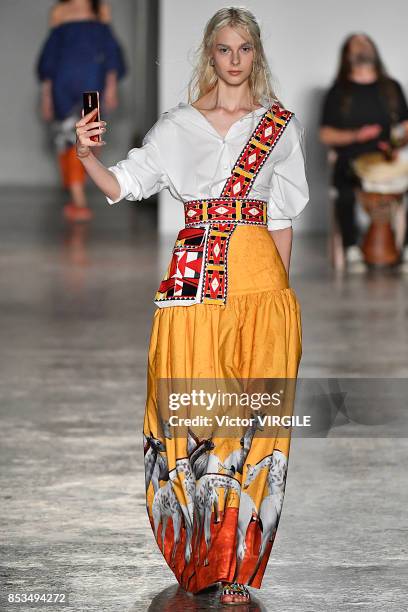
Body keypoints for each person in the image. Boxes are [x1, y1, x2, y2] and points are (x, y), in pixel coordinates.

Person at [75, 7, 309, 605]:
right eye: (225, 49)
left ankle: (237, 566)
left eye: (245, 49)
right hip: (193, 289)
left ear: (255, 55)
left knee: (253, 428)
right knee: (193, 419)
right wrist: (85, 159)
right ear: (210, 54)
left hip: (260, 288)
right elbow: (125, 184)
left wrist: (284, 296)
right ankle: (198, 550)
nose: (235, 60)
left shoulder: (278, 127)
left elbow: (280, 222)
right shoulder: (177, 126)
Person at [320, 33, 408, 271]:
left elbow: (405, 125)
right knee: (345, 192)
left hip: (387, 157)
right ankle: (351, 248)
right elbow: (326, 134)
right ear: (347, 55)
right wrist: (357, 136)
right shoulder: (339, 91)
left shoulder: (391, 88)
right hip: (352, 160)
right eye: (355, 44)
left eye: (366, 42)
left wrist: (397, 141)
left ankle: (405, 249)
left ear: (374, 50)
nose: (362, 46)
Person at [36, 0, 126, 221]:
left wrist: (112, 87)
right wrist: (47, 96)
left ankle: (76, 193)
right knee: (67, 140)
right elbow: (51, 56)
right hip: (63, 87)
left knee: (90, 140)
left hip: (92, 84)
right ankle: (78, 199)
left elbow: (110, 51)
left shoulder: (100, 8)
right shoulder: (59, 11)